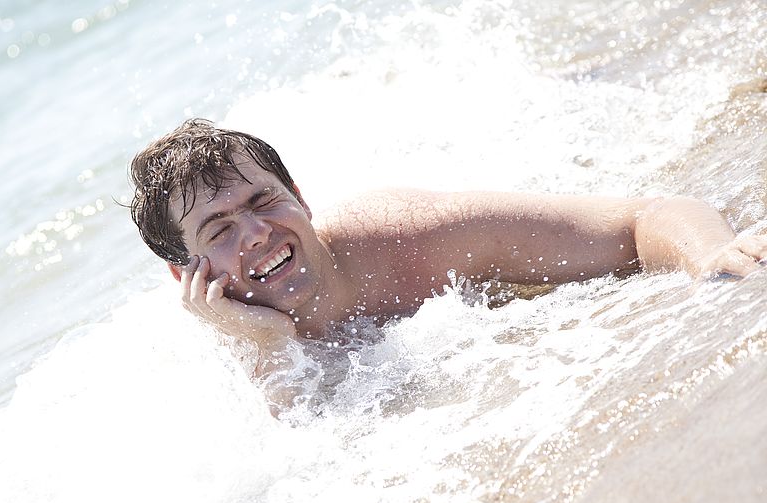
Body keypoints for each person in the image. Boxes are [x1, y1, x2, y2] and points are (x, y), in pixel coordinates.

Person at [129, 118, 766, 381]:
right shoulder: (196, 380)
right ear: (184, 273)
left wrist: (710, 257)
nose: (257, 235)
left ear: (300, 196)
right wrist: (268, 348)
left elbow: (643, 218)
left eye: (264, 202)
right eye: (218, 230)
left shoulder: (416, 237)